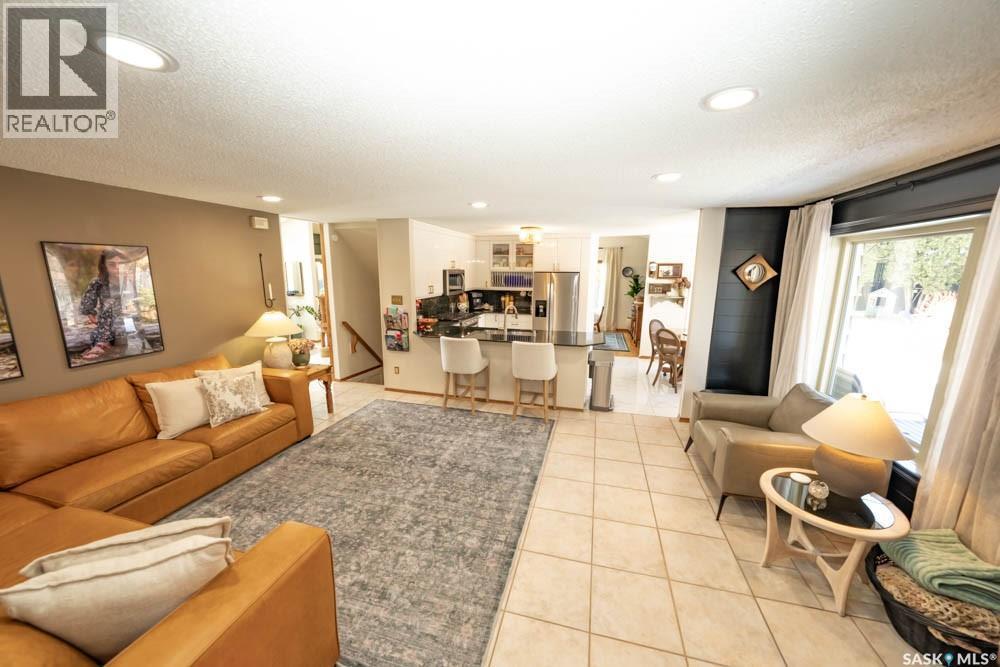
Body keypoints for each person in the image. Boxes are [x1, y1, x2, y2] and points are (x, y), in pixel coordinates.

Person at [78, 251, 119, 361]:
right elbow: (88, 301)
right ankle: (101, 345)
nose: (117, 268)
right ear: (103, 266)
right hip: (106, 324)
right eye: (112, 264)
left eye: (120, 264)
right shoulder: (98, 282)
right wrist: (94, 317)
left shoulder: (127, 280)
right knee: (103, 337)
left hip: (128, 323)